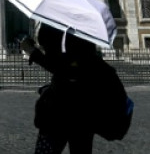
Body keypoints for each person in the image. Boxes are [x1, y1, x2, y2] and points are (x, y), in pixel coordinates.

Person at [20, 24, 124, 154]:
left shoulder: (75, 51)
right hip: (83, 116)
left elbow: (65, 69)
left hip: (60, 114)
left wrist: (34, 52)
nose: (46, 50)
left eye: (47, 47)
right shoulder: (84, 38)